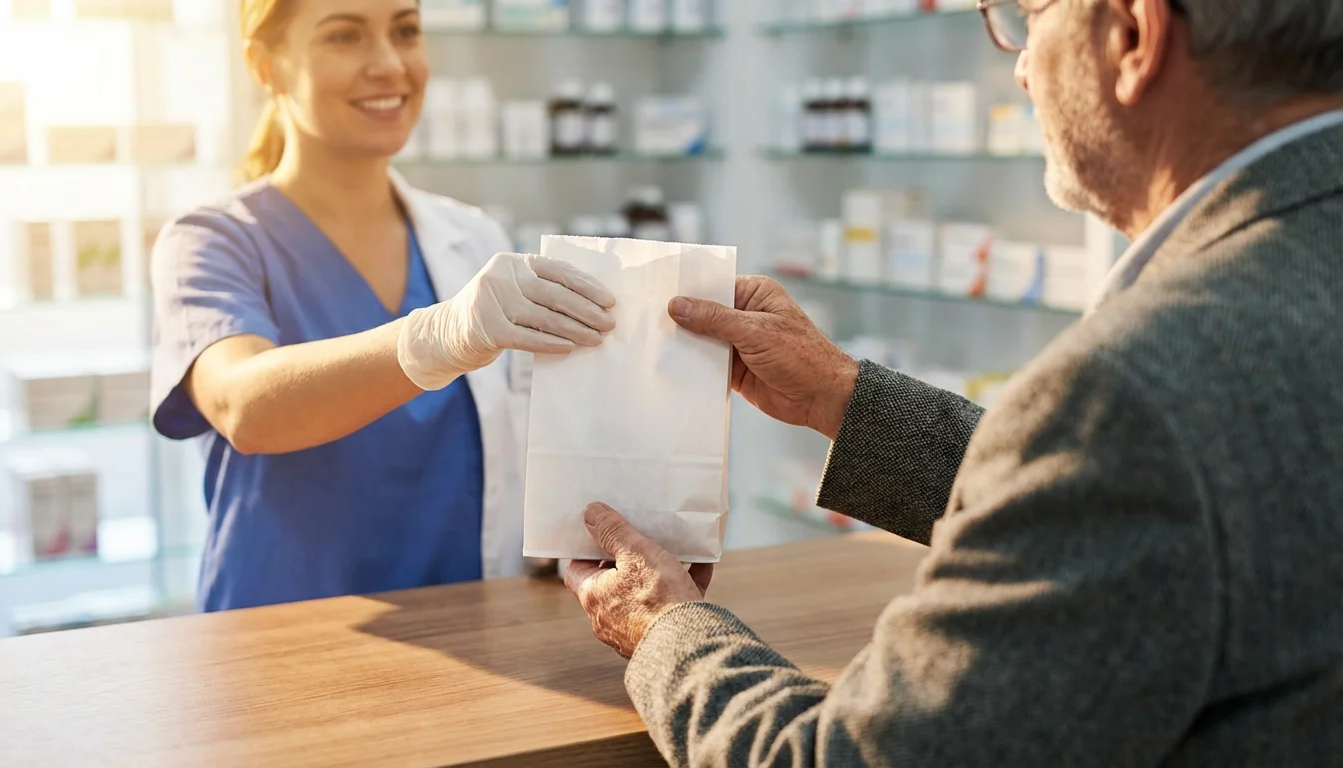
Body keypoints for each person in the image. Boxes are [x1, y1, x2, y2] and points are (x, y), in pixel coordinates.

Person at [566, 1, 1343, 765]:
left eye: (1030, 17)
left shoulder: (1131, 392)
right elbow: (1142, 505)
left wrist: (663, 627)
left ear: (1133, 35)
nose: (1022, 69)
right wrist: (843, 396)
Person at [149, 0, 616, 612]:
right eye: (344, 36)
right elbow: (244, 408)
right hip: (275, 646)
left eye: (405, 30)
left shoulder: (472, 239)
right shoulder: (212, 241)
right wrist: (439, 337)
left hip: (468, 631)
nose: (389, 64)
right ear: (266, 66)